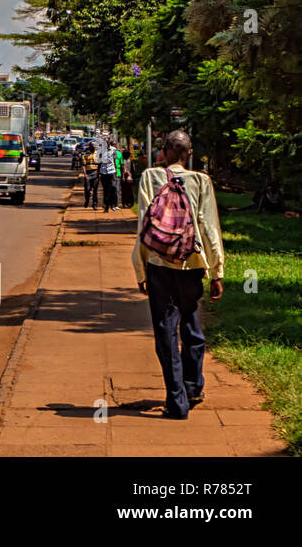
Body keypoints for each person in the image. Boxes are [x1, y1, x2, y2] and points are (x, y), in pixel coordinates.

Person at [133, 129, 225, 420]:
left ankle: (177, 400)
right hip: (191, 265)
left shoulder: (150, 177)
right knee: (192, 325)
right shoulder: (201, 181)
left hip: (159, 265)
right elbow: (209, 228)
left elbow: (143, 226)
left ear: (165, 151)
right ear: (189, 152)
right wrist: (216, 271)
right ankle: (193, 385)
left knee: (165, 331)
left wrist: (140, 269)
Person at [96, 136, 118, 211]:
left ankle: (113, 204)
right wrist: (97, 174)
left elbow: (115, 161)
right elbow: (99, 163)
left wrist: (117, 172)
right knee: (105, 189)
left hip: (112, 171)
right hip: (103, 172)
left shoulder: (114, 150)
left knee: (113, 187)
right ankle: (106, 205)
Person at [81, 141, 100, 209]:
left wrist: (98, 174)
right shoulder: (86, 154)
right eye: (92, 146)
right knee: (87, 189)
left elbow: (99, 165)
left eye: (94, 146)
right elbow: (83, 165)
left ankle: (94, 204)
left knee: (95, 190)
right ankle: (87, 200)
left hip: (95, 173)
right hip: (88, 173)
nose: (93, 148)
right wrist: (85, 174)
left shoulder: (97, 154)